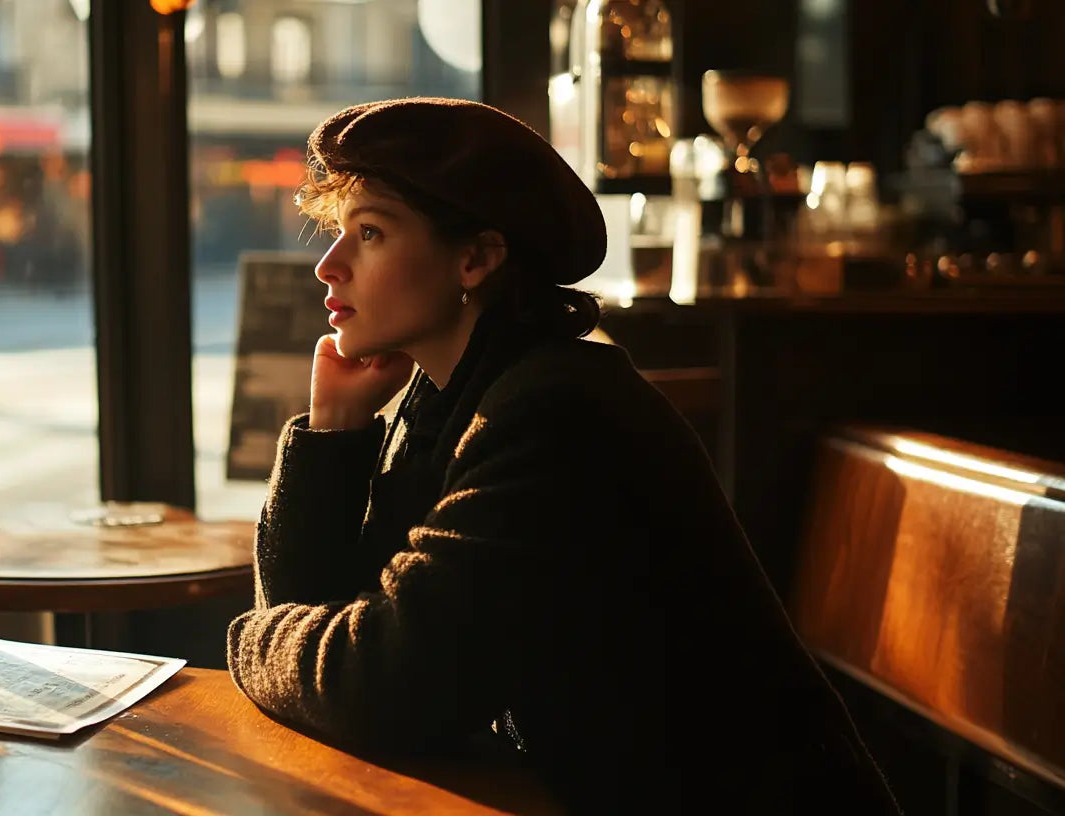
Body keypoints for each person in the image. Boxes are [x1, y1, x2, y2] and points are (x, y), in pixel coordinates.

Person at [225, 98, 900, 813]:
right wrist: (332, 431)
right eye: (338, 233)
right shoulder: (451, 396)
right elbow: (335, 625)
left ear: (477, 258)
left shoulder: (556, 414)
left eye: (370, 234)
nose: (330, 267)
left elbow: (384, 681)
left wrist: (245, 642)